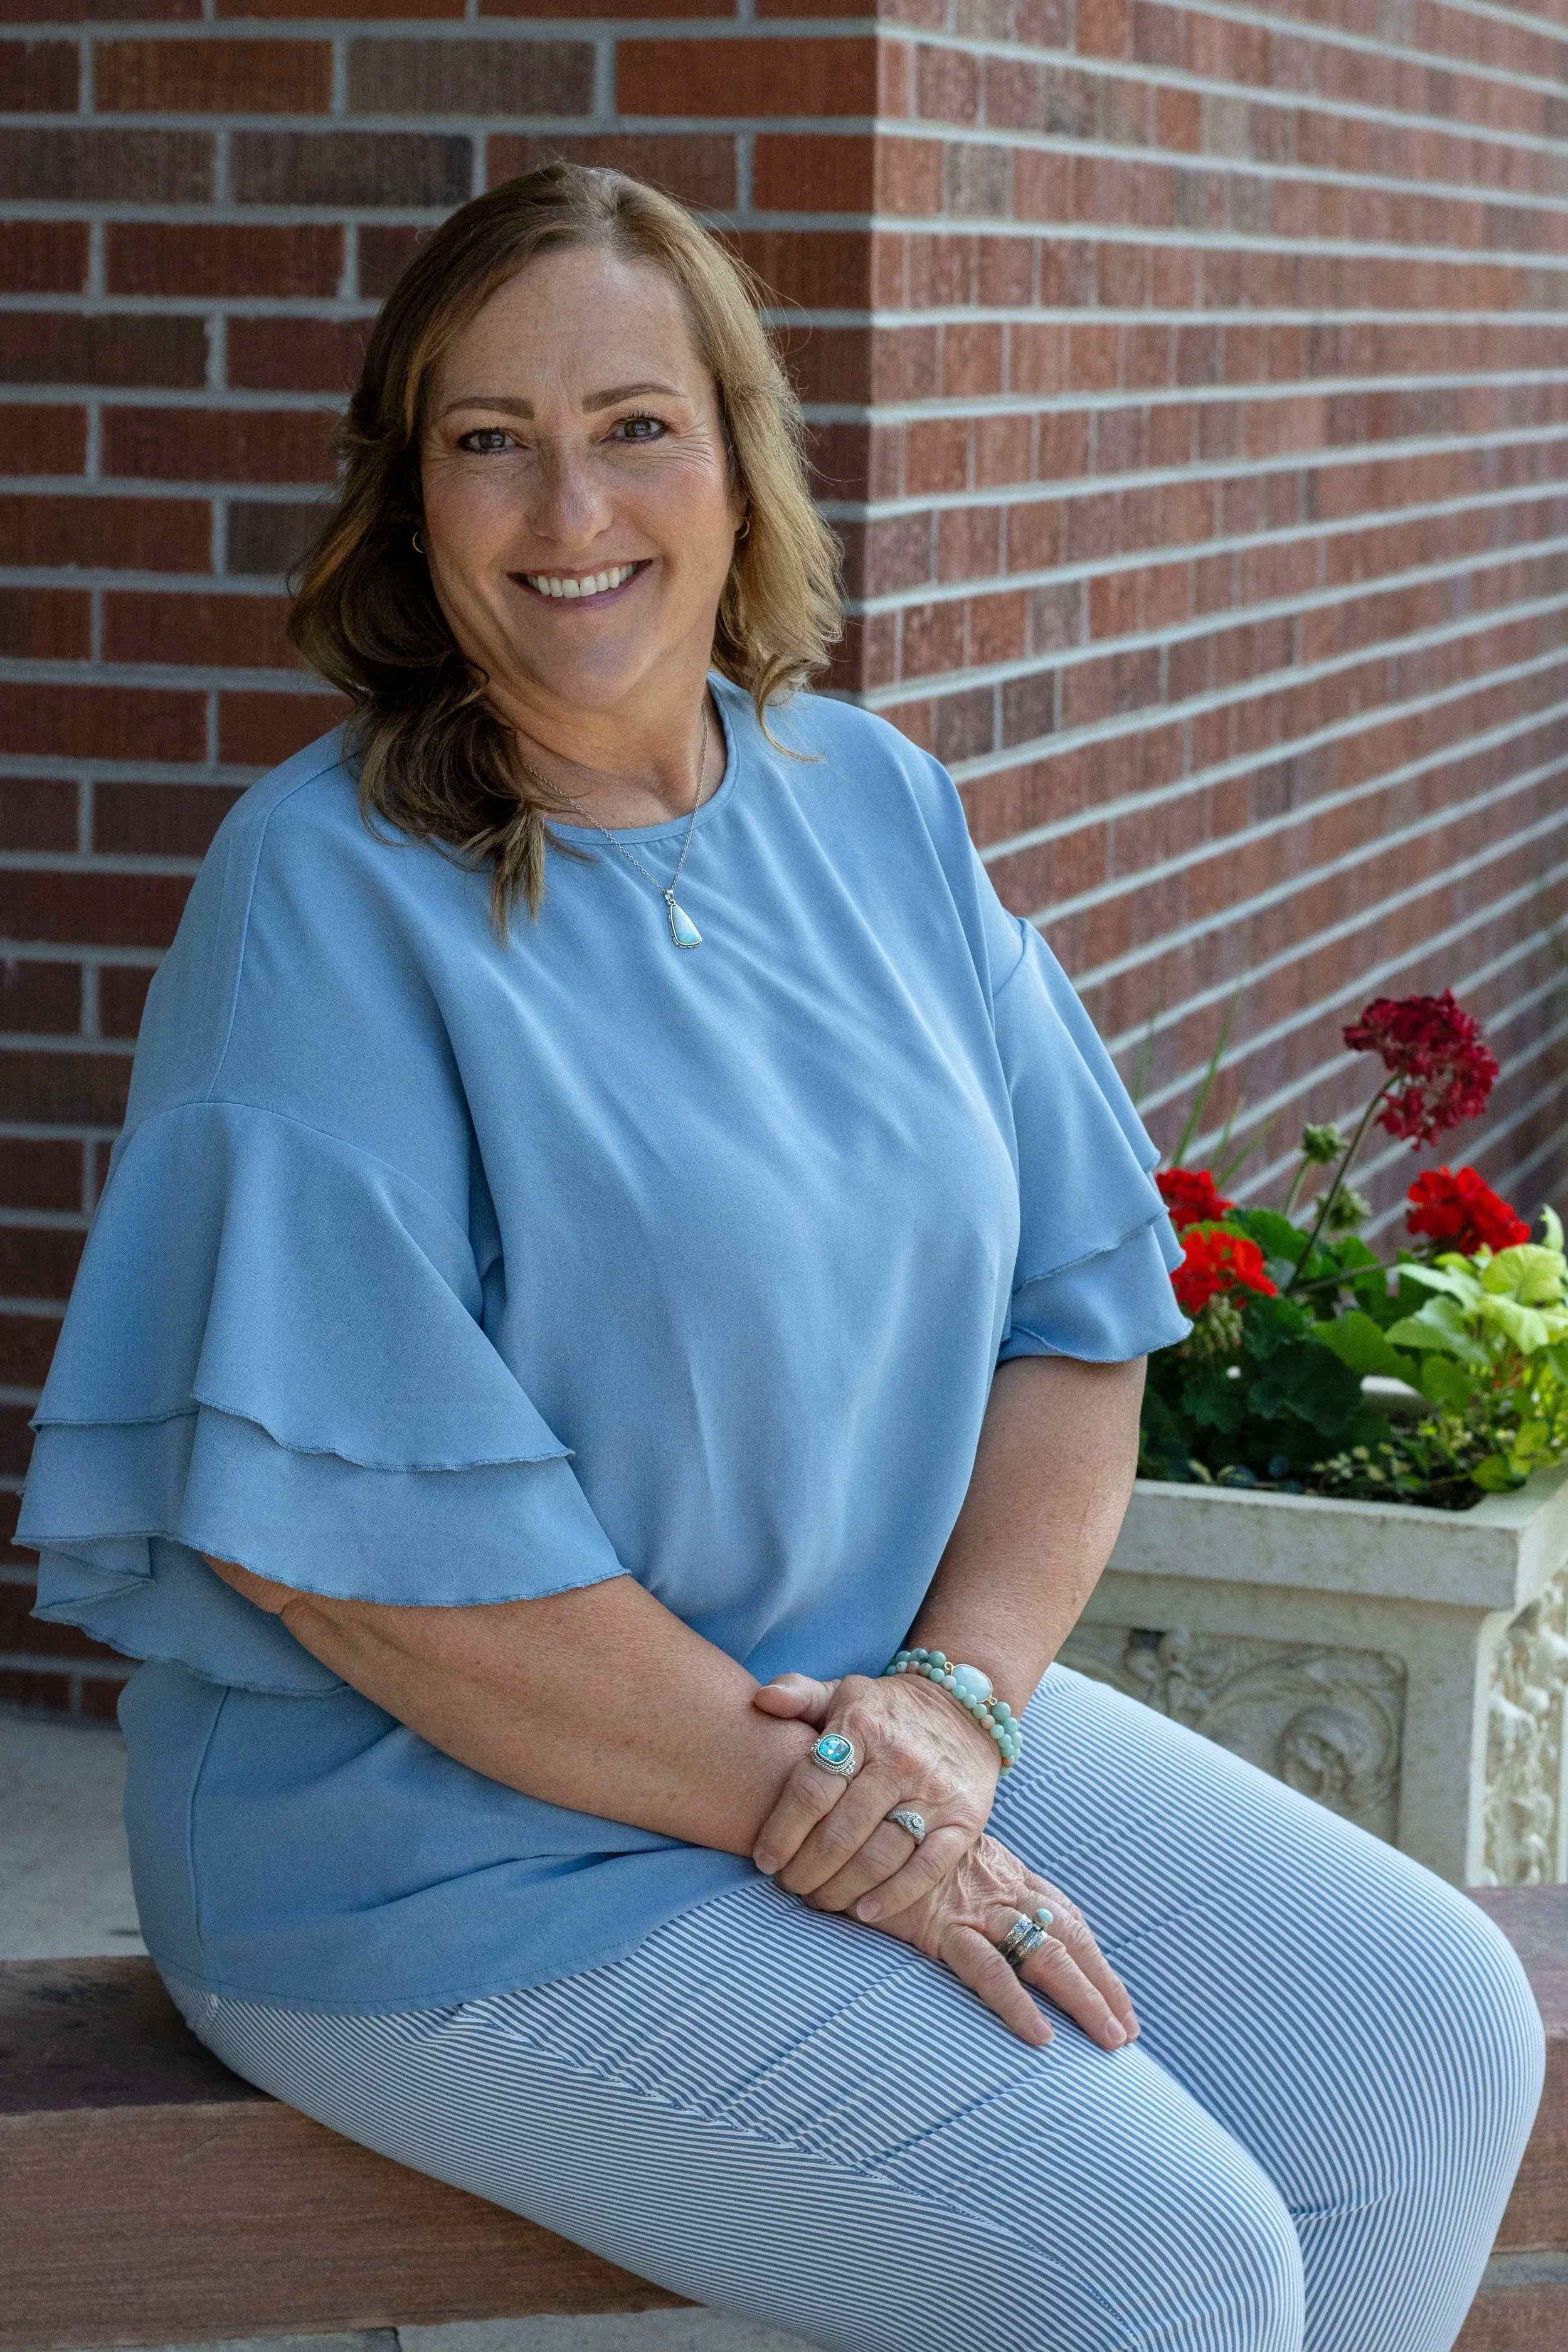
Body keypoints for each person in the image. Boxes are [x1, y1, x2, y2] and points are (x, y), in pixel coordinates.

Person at [21, 165, 1542, 2352]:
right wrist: (835, 1805)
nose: (571, 504)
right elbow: (349, 1562)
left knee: (1425, 2036)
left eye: (636, 421)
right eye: (488, 437)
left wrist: (947, 1707)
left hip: (860, 1708)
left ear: (739, 463)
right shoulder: (322, 897)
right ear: (408, 493)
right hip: (432, 1848)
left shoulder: (873, 806)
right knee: (1162, 2272)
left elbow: (1079, 1310)